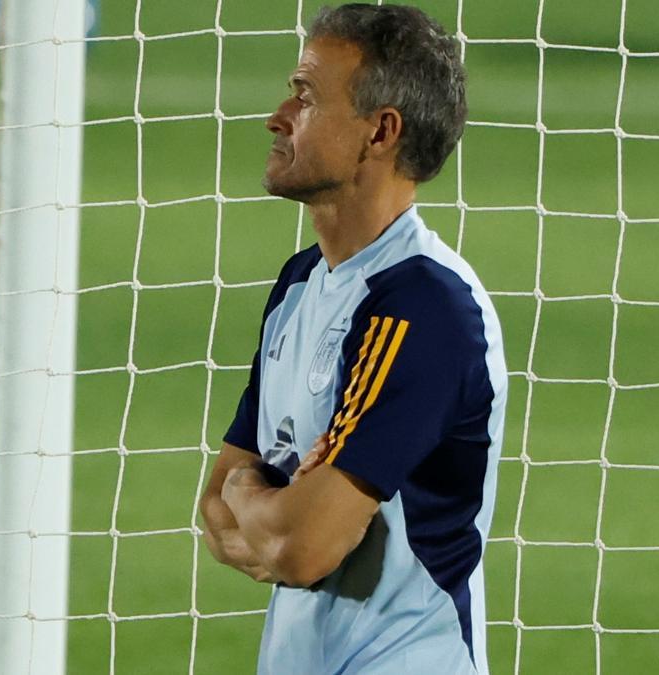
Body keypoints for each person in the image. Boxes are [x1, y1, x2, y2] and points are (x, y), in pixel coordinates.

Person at [199, 4, 507, 673]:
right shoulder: (301, 283)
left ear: (380, 132)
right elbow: (213, 505)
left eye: (306, 96)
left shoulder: (423, 308)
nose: (278, 115)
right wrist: (270, 508)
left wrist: (257, 502)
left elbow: (301, 548)